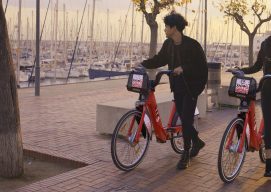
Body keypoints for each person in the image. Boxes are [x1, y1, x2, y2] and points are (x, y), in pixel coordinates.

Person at [141, 11, 208, 169]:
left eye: (167, 26)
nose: (165, 29)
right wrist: (143, 64)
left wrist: (183, 68)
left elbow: (201, 67)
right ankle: (197, 141)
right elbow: (159, 59)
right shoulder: (168, 44)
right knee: (185, 120)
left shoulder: (193, 45)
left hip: (191, 88)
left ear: (175, 28)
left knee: (185, 120)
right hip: (177, 87)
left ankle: (185, 154)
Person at [240, 35, 271, 177]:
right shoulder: (265, 44)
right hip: (267, 88)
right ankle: (269, 166)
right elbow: (257, 66)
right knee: (269, 128)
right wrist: (242, 70)